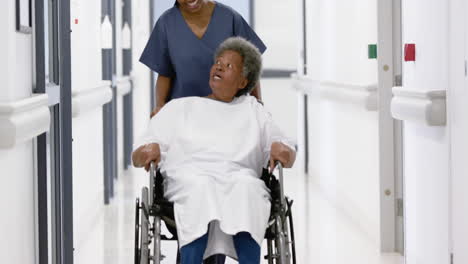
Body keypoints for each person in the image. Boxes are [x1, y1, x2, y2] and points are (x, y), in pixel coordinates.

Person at [132, 37, 296, 264]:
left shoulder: (253, 110)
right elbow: (140, 151)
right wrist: (146, 151)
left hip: (239, 178)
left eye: (228, 66)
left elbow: (285, 148)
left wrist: (282, 149)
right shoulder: (180, 107)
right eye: (218, 62)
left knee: (247, 189)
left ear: (242, 82)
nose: (218, 66)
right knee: (202, 188)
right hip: (189, 180)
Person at [139, 0, 266, 117]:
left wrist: (258, 105)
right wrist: (160, 107)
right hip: (183, 115)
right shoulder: (166, 23)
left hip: (228, 114)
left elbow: (250, 68)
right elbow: (164, 73)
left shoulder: (230, 18)